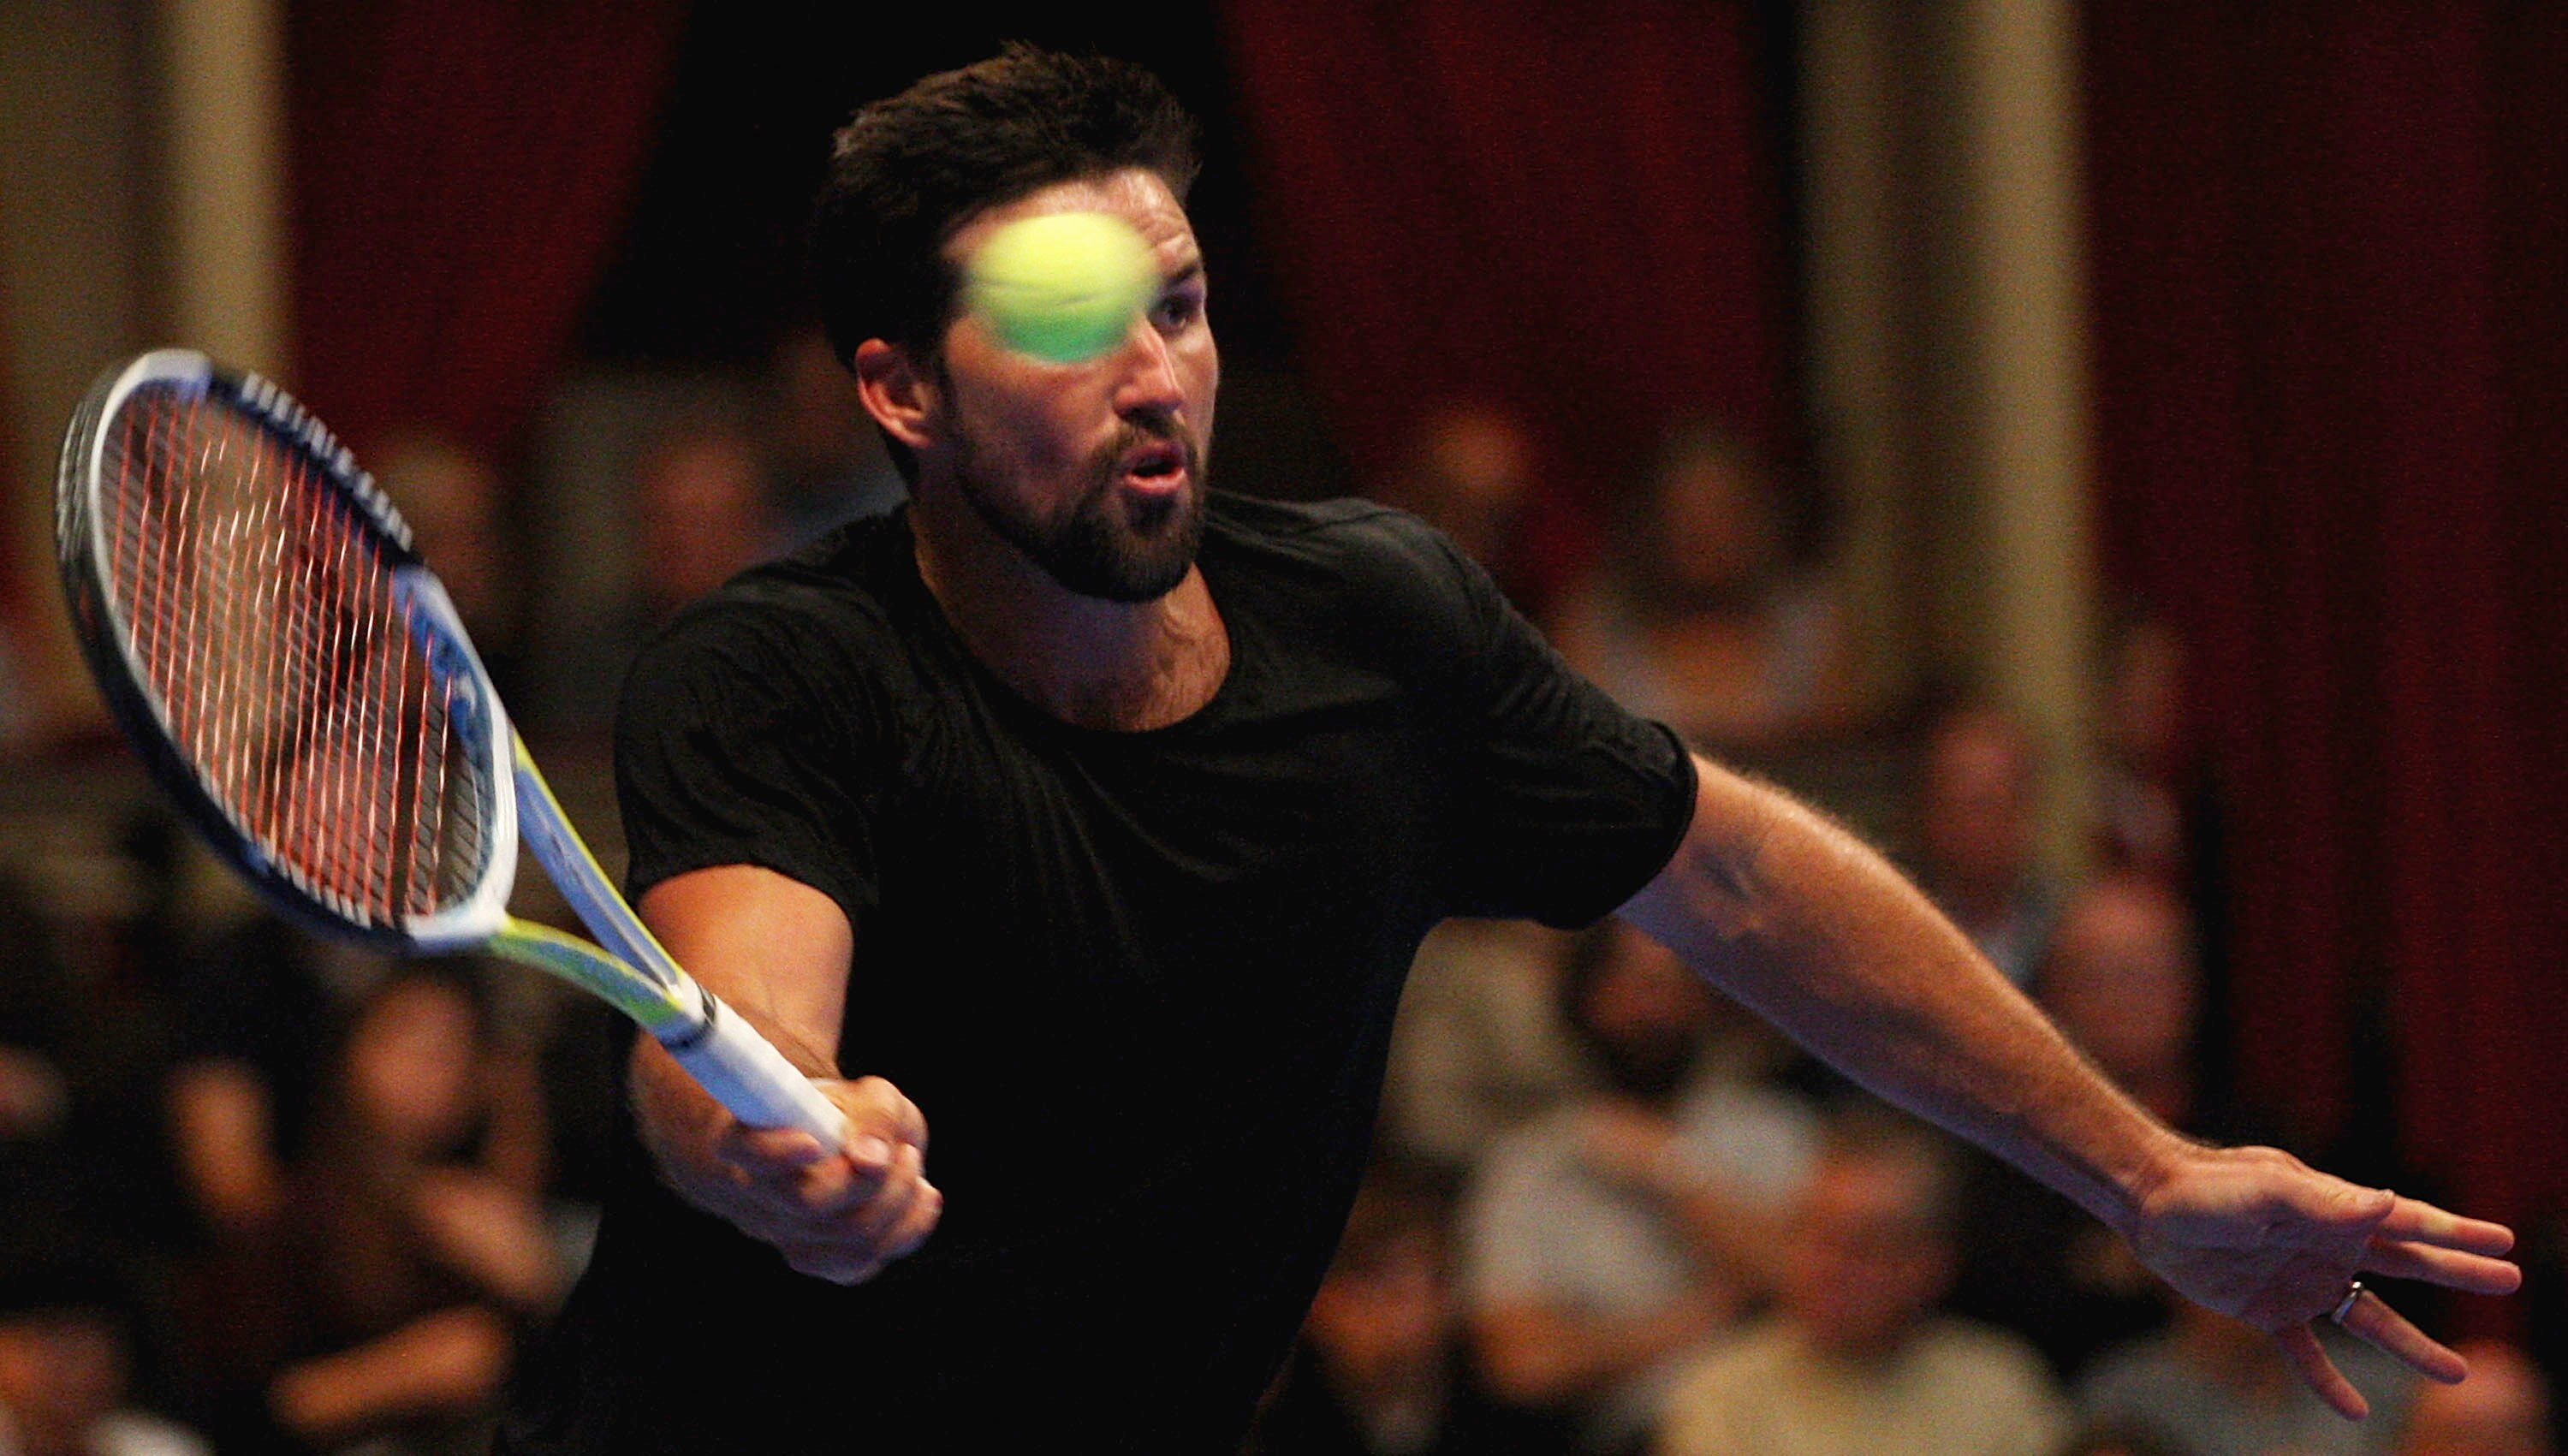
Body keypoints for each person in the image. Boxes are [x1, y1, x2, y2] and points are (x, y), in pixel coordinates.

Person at [494, 45, 2517, 1454]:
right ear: (898, 389)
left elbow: (1727, 871)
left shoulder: (1379, 623)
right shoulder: (779, 673)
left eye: (1180, 306)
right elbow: (741, 1020)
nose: (1150, 372)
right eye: (1063, 320)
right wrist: (785, 1148)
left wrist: (2143, 1176)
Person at [1459, 921, 1818, 1452]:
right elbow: (1522, 1366)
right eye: (1626, 983)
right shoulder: (1529, 1164)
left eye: (1671, 983)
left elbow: (1817, 1289)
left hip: (1781, 1430)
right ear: (1584, 1003)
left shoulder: (1772, 1132)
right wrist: (1715, 1310)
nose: (1650, 1010)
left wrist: (1676, 1173)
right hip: (1612, 1439)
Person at [1652, 1110, 2071, 1456]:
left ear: (1929, 1265)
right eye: (1812, 1237)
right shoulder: (1721, 1392)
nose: (1826, 1269)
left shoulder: (1999, 1390)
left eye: (1861, 1247)